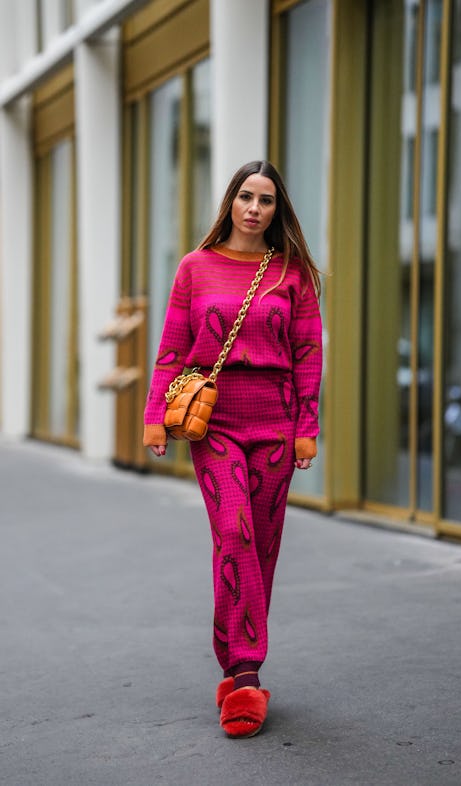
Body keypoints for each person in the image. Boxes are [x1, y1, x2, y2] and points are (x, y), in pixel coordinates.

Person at [143, 160, 322, 738]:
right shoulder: (196, 267)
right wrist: (154, 419)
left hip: (274, 423)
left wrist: (306, 426)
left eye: (266, 200)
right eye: (246, 196)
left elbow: (308, 354)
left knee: (260, 547)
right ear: (230, 202)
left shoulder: (291, 274)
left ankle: (236, 661)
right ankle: (245, 679)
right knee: (236, 531)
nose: (254, 208)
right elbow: (172, 347)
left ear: (277, 210)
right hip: (214, 424)